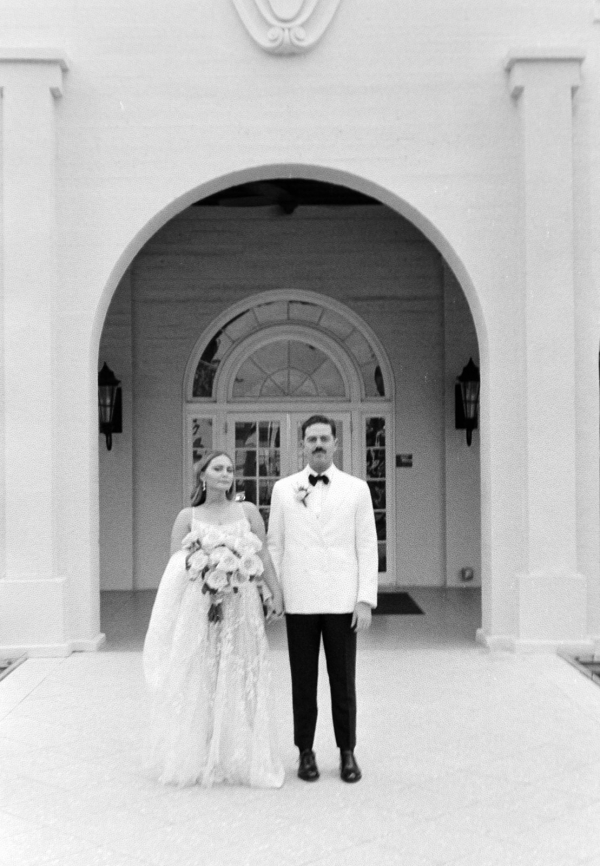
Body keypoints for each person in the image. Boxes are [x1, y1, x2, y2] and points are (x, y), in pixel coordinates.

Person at [142, 450, 285, 788]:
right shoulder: (187, 516)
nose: (225, 474)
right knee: (201, 670)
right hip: (199, 605)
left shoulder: (247, 511)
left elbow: (262, 553)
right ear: (202, 475)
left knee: (241, 667)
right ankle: (199, 750)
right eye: (217, 468)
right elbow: (177, 567)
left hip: (242, 604)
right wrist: (204, 569)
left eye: (230, 469)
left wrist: (275, 592)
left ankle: (241, 752)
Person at [267, 415, 378, 783]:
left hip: (342, 602)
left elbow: (366, 546)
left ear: (335, 444)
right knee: (303, 682)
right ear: (302, 445)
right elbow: (275, 545)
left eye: (324, 438)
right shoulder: (284, 489)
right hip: (299, 601)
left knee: (343, 682)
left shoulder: (357, 489)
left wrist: (364, 599)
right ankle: (306, 753)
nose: (318, 444)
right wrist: (276, 593)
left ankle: (347, 753)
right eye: (311, 438)